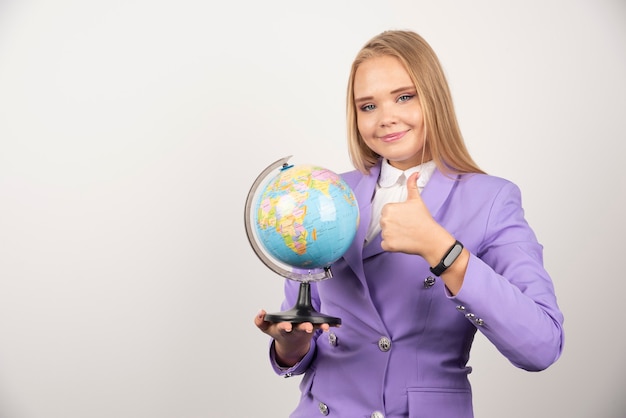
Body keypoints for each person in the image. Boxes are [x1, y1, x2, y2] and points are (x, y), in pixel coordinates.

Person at [253, 29, 564, 418]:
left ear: (433, 98)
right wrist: (291, 346)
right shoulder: (325, 196)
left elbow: (541, 346)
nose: (386, 119)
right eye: (368, 106)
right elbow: (305, 331)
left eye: (404, 97)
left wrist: (442, 250)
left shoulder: (490, 200)